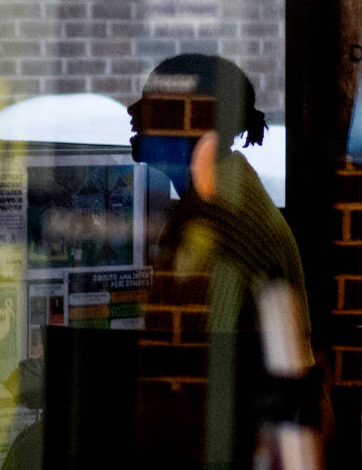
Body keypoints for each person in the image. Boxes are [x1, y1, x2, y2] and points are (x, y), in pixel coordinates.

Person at [128, 53, 312, 470]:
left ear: (197, 119)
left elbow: (183, 381)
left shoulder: (211, 220)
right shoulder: (230, 193)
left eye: (155, 101)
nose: (133, 112)